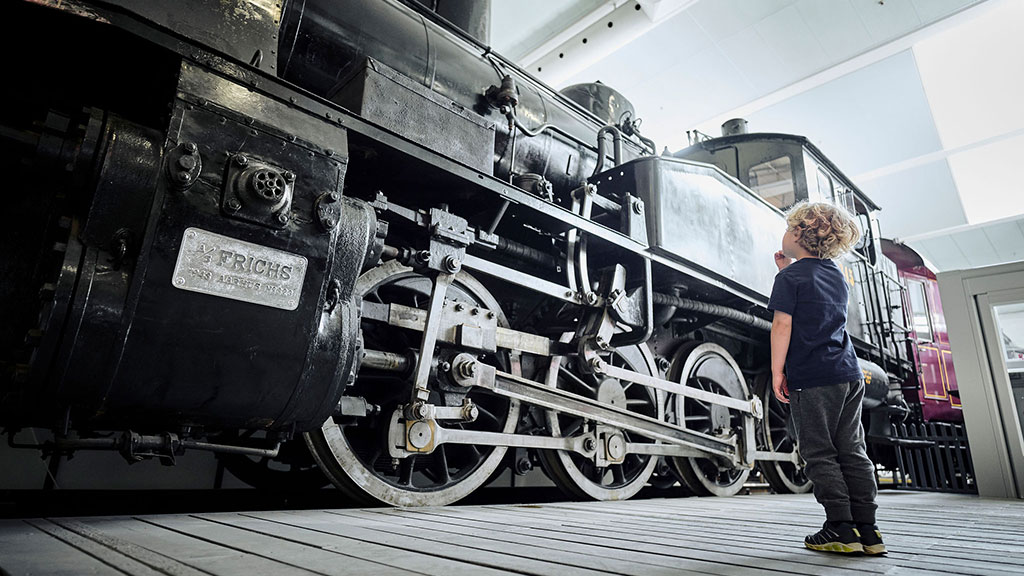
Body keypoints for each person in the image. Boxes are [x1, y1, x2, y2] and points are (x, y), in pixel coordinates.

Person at [768, 201, 885, 555]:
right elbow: (815, 294)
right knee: (852, 449)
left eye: (789, 228)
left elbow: (783, 325)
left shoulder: (788, 278)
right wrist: (788, 268)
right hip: (848, 375)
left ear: (801, 235)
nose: (784, 234)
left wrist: (777, 371)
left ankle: (839, 527)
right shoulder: (834, 273)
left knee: (819, 452)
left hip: (813, 377)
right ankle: (868, 530)